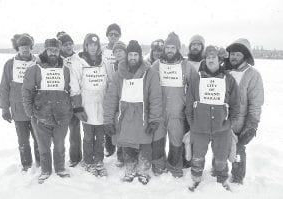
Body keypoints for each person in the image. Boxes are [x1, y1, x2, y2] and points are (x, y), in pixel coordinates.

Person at [103, 40, 162, 185]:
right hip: (125, 115)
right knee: (127, 143)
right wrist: (108, 120)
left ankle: (143, 170)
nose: (133, 58)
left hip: (143, 116)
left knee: (145, 144)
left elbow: (155, 98)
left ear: (140, 56)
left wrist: (154, 119)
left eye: (136, 55)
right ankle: (129, 168)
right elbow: (111, 99)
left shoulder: (150, 74)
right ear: (127, 56)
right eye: (131, 55)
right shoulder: (118, 75)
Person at [185, 45, 240, 191]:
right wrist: (192, 123)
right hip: (199, 127)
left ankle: (222, 180)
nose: (210, 59)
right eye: (208, 57)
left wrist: (229, 123)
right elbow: (189, 102)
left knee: (221, 157)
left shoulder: (229, 79)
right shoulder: (197, 78)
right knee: (197, 157)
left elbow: (235, 104)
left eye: (213, 57)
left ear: (219, 60)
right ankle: (196, 179)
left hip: (222, 128)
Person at [22, 38, 72, 183]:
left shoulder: (66, 70)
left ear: (59, 51)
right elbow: (26, 91)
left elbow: (70, 89)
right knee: (43, 146)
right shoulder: (34, 69)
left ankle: (60, 168)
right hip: (40, 114)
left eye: (56, 50)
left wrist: (71, 109)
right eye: (50, 50)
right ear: (45, 50)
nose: (53, 53)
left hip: (62, 115)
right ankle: (45, 170)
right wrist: (29, 111)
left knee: (60, 145)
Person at [151, 32, 197, 178]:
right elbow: (149, 87)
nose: (169, 50)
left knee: (176, 141)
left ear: (178, 49)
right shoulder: (157, 65)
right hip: (159, 111)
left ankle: (174, 166)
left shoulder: (186, 66)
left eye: (173, 47)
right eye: (167, 47)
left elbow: (195, 88)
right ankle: (158, 165)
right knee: (157, 139)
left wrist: (191, 109)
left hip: (177, 112)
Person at [226, 38, 264, 184]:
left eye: (238, 54)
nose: (234, 56)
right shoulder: (226, 71)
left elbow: (256, 103)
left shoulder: (253, 75)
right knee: (220, 149)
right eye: (232, 54)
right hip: (223, 121)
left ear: (245, 55)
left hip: (240, 124)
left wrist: (251, 125)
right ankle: (218, 173)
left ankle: (237, 178)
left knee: (238, 151)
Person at [0, 33, 40, 172]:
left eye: (27, 46)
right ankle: (26, 164)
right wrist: (5, 108)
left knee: (39, 139)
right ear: (18, 47)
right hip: (18, 110)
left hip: (36, 109)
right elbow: (4, 87)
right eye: (22, 47)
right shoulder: (10, 64)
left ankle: (41, 163)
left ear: (31, 47)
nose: (25, 49)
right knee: (23, 141)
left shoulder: (37, 62)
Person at [71, 33, 108, 177]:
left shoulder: (104, 61)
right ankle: (88, 161)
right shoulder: (79, 62)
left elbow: (109, 82)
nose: (93, 47)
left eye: (95, 45)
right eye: (90, 45)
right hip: (87, 105)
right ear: (85, 46)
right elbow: (74, 86)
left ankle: (99, 160)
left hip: (102, 104)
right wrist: (78, 108)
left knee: (100, 136)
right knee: (88, 136)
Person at [57, 32, 82, 167]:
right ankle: (59, 158)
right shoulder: (56, 59)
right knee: (60, 133)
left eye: (70, 44)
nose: (68, 46)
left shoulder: (78, 59)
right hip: (60, 100)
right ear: (60, 47)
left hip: (76, 99)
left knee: (75, 130)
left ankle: (75, 157)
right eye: (65, 44)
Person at [102, 23, 122, 157]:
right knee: (108, 116)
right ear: (107, 35)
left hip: (120, 88)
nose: (113, 36)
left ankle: (121, 145)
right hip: (105, 88)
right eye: (111, 34)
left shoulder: (122, 49)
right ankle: (109, 146)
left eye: (116, 34)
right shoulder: (102, 51)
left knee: (119, 117)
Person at [111, 41, 127, 167]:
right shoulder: (114, 66)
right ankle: (120, 156)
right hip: (117, 102)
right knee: (119, 129)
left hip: (129, 101)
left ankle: (130, 155)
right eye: (116, 51)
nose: (118, 53)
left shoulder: (131, 64)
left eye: (120, 51)